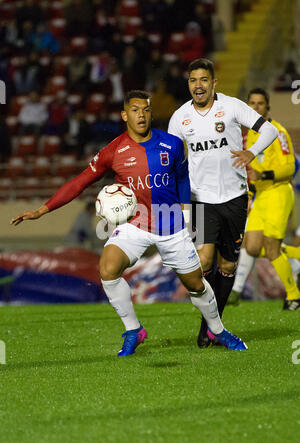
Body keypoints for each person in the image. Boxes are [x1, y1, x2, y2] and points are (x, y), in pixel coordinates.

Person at [10, 89, 247, 356]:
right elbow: (80, 182)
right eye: (135, 110)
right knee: (108, 268)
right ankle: (134, 330)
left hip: (172, 227)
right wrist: (43, 210)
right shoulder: (113, 151)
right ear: (125, 115)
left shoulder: (171, 143)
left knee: (196, 284)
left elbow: (182, 177)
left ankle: (217, 330)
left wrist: (186, 212)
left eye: (146, 110)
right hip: (136, 224)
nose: (141, 115)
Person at [168, 59, 279, 348]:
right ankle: (212, 325)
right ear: (188, 84)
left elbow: (269, 131)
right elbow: (172, 161)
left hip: (234, 197)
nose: (198, 85)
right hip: (200, 198)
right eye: (193, 80)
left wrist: (251, 152)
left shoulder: (231, 106)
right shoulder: (180, 118)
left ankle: (210, 326)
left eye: (204, 80)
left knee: (227, 265)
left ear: (214, 83)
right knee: (203, 260)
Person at [226, 88, 300, 310]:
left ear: (267, 107)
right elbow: (249, 173)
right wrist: (248, 195)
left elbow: (290, 167)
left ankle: (294, 296)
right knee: (252, 246)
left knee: (271, 245)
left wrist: (264, 175)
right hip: (261, 196)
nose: (255, 107)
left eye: (260, 103)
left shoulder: (277, 132)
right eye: (252, 103)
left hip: (278, 191)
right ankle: (296, 254)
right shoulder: (249, 137)